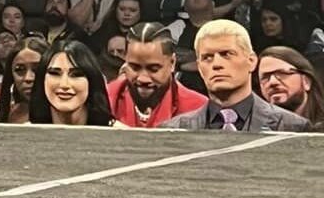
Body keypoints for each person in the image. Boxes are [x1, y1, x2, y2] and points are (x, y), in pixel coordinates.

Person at [163, 20, 309, 131]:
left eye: (227, 54)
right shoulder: (171, 130)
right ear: (200, 68)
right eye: (207, 57)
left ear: (251, 61)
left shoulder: (293, 126)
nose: (216, 64)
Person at [107, 23, 208, 127]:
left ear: (172, 63)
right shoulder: (105, 101)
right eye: (135, 68)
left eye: (153, 69)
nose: (143, 78)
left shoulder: (198, 108)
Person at [28, 40, 113, 126]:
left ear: (92, 81)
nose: (64, 84)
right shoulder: (22, 135)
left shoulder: (119, 135)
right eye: (54, 73)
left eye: (76, 74)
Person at [256, 46, 324, 128]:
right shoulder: (256, 129)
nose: (272, 82)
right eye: (265, 77)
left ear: (306, 81)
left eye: (282, 73)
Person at [0, 36, 47, 124]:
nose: (28, 78)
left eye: (37, 69)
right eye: (19, 70)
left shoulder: (64, 115)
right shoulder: (3, 114)